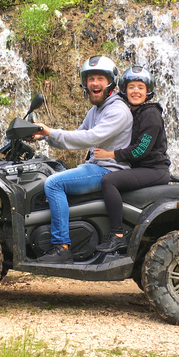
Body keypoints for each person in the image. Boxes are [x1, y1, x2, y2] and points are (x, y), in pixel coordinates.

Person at [33, 55, 133, 263]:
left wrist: (50, 132)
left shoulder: (117, 110)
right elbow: (77, 135)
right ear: (84, 84)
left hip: (109, 170)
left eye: (100, 78)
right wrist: (44, 137)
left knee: (53, 183)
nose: (94, 83)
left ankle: (61, 246)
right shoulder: (96, 109)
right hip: (96, 166)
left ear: (111, 82)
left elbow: (90, 138)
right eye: (90, 79)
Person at [93, 66, 170, 253]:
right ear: (124, 90)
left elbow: (141, 150)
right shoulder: (133, 113)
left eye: (141, 87)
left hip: (154, 170)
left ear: (148, 91)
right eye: (132, 87)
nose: (136, 91)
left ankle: (117, 236)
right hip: (140, 168)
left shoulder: (151, 114)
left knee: (109, 181)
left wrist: (109, 155)